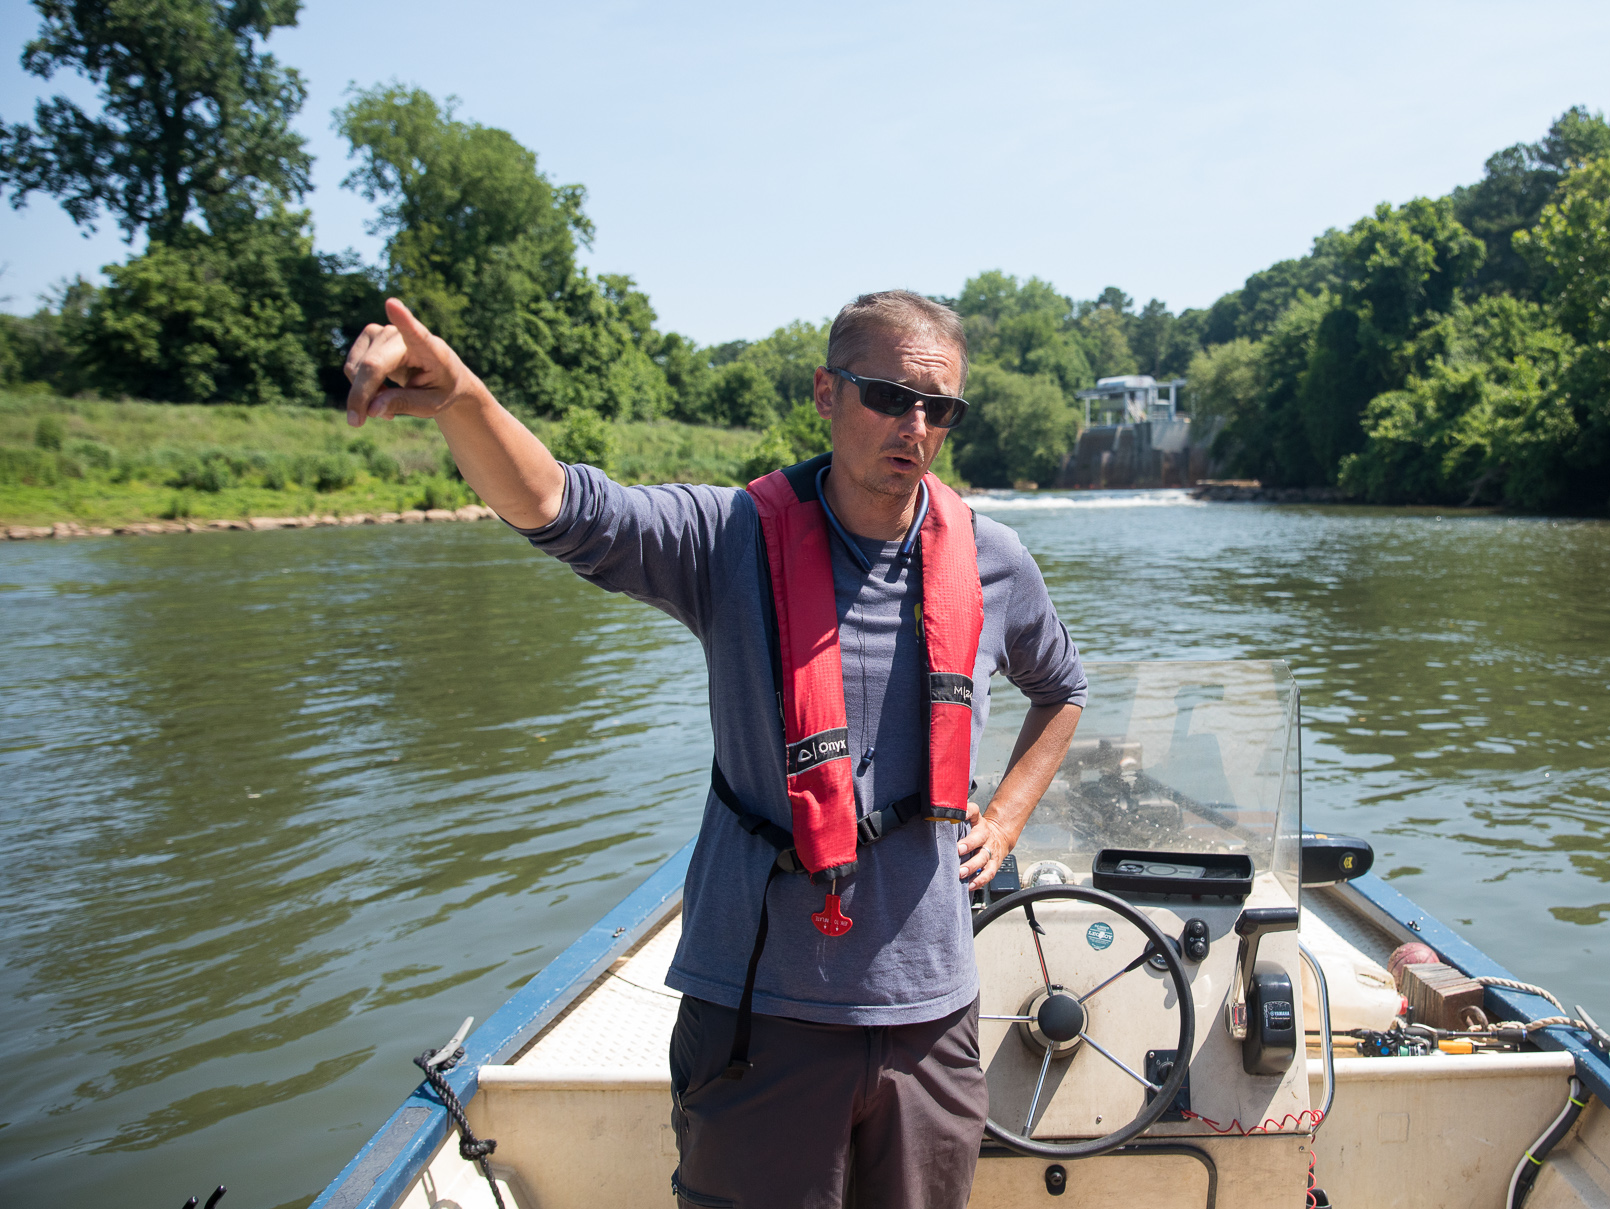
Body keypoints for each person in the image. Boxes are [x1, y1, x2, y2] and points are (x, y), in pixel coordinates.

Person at [342, 290, 1086, 1209]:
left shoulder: (995, 557)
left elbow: (1062, 688)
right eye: (891, 396)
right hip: (759, 1013)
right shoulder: (728, 538)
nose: (917, 425)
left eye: (941, 408)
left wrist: (1007, 816)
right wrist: (463, 398)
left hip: (930, 1018)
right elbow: (561, 507)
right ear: (825, 392)